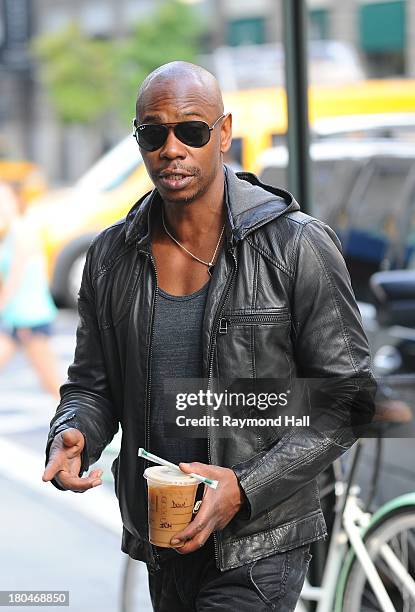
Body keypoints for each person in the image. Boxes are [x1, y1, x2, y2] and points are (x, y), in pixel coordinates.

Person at [43, 61, 375, 611]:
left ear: (222, 132)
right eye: (153, 133)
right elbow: (91, 386)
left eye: (191, 131)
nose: (171, 148)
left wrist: (243, 488)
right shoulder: (110, 257)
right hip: (164, 536)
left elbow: (348, 398)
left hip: (260, 543)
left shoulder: (295, 246)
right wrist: (74, 431)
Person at [0, 182, 60, 400]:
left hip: (29, 318)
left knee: (51, 383)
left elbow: (14, 279)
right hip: (16, 318)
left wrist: (2, 306)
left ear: (16, 201)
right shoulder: (8, 234)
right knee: (50, 383)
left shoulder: (23, 231)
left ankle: (86, 428)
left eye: (3, 200)